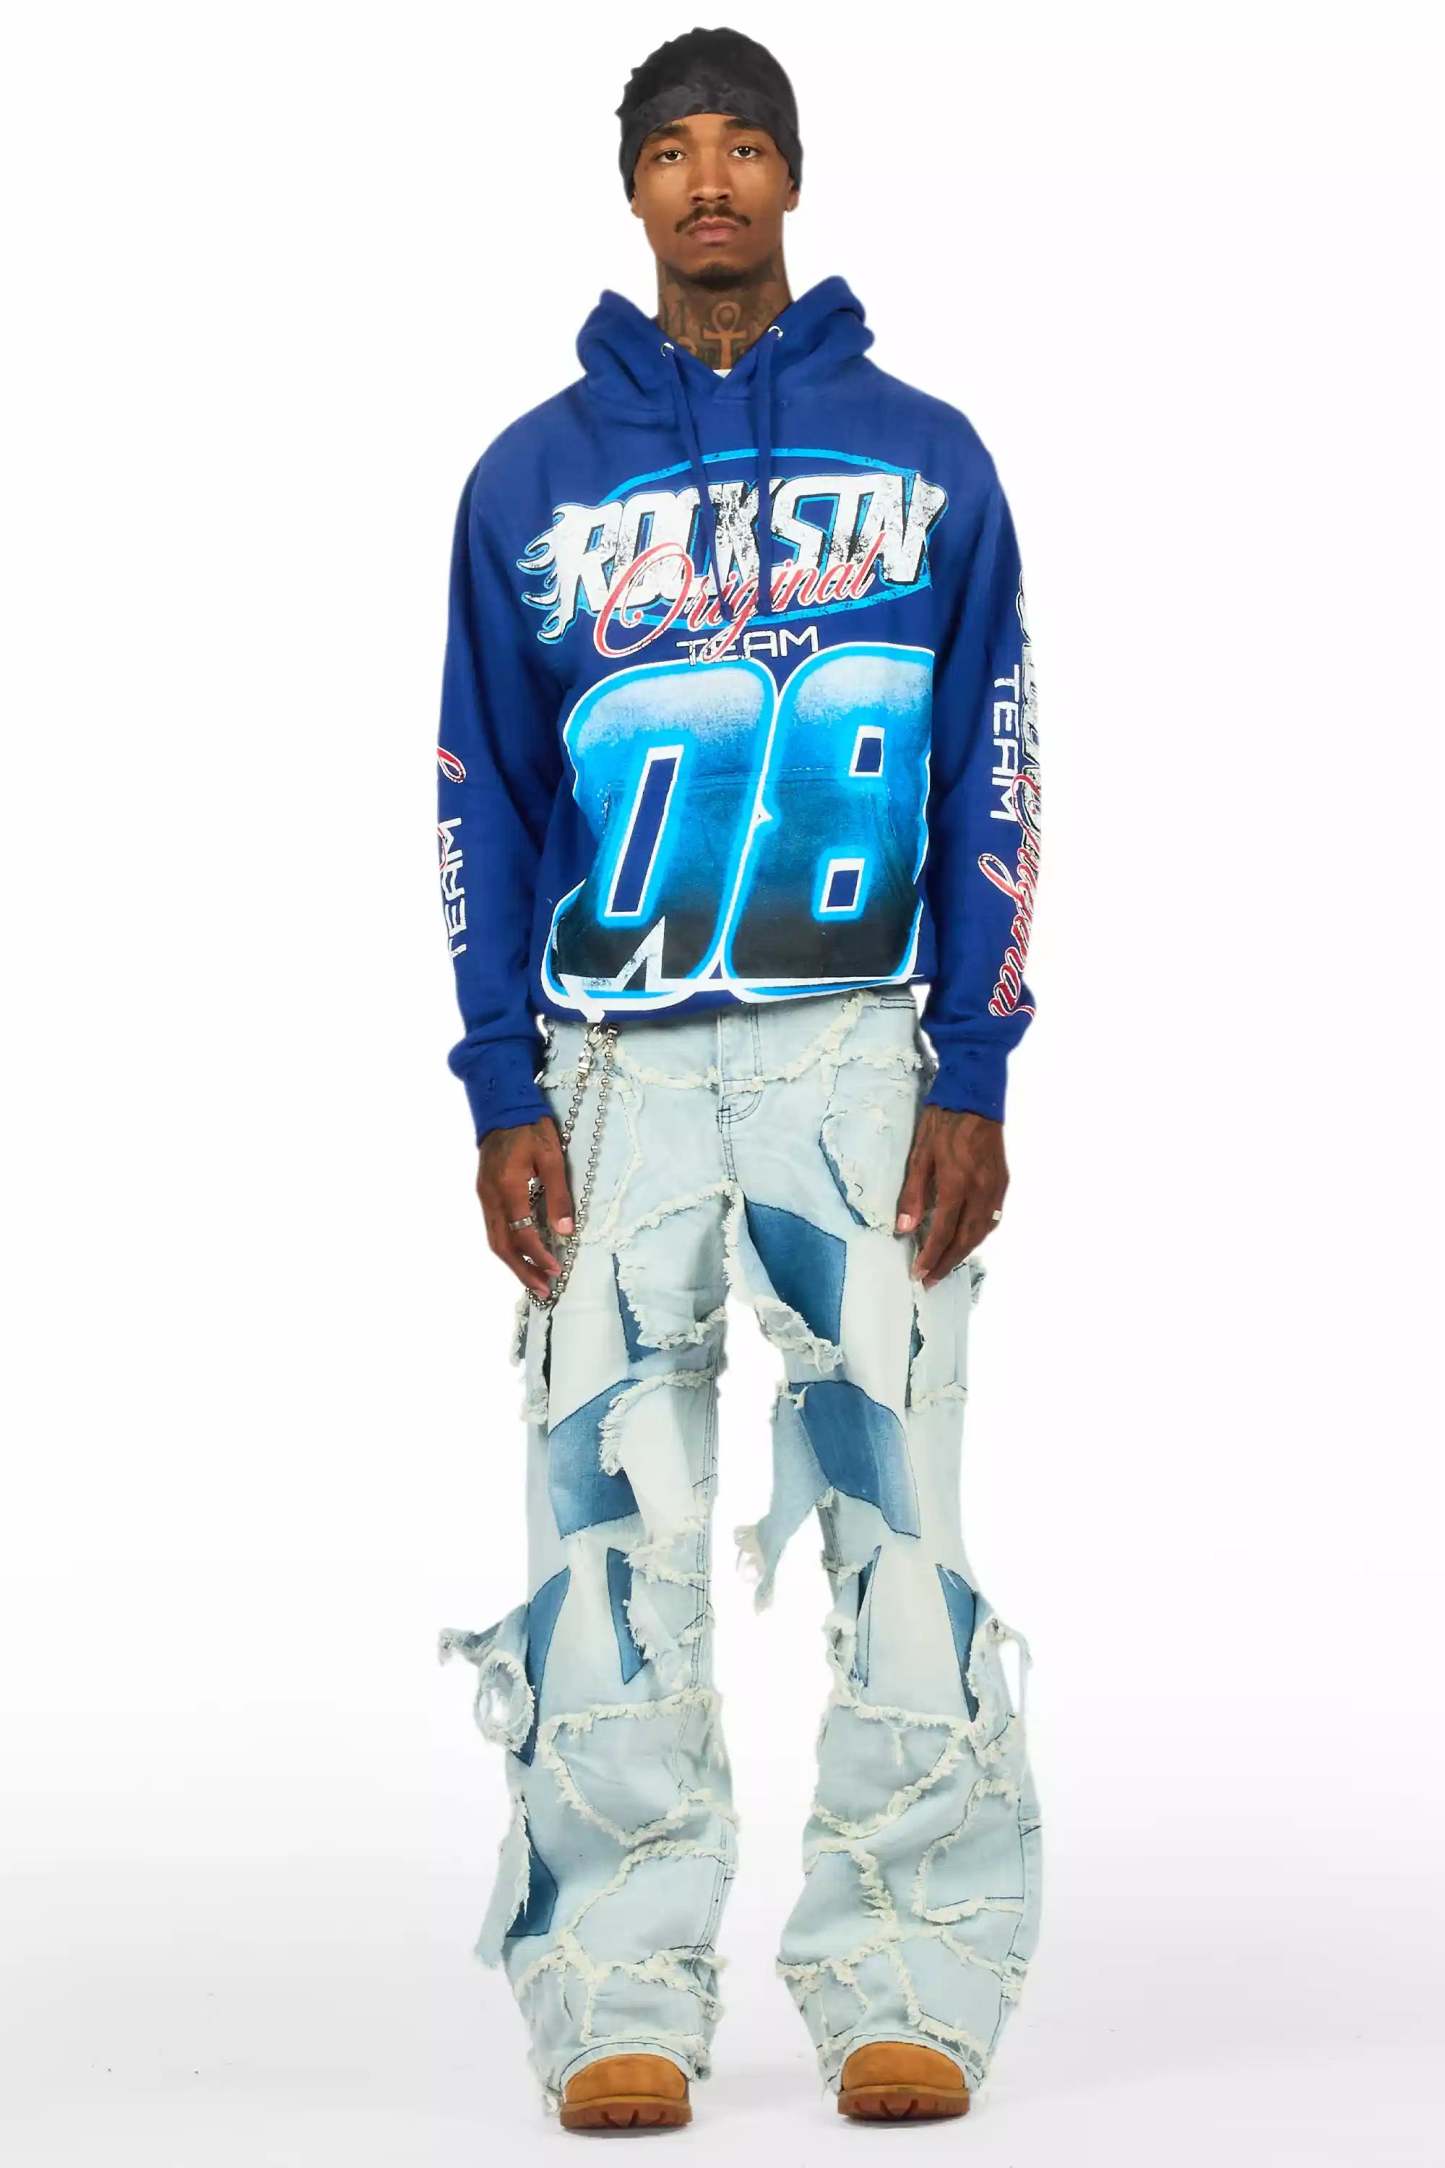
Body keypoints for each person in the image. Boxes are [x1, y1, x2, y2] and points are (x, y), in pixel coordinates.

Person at [435, 25, 1043, 2133]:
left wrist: (974, 1061)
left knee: (898, 1502)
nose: (710, 181)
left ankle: (913, 1967)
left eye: (746, 147)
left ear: (792, 180)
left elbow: (993, 765)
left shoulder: (930, 459)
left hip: (857, 1056)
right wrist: (497, 1085)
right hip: (605, 1070)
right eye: (673, 150)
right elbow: (484, 792)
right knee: (604, 1515)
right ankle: (615, 1976)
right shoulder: (527, 481)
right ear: (631, 190)